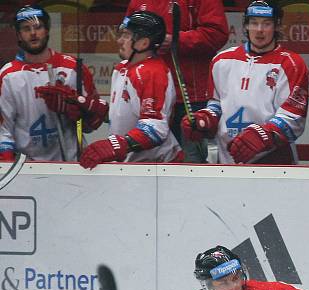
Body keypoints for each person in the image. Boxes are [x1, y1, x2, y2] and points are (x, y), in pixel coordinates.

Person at [181, 1, 308, 165]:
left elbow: (294, 117)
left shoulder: (291, 63)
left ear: (277, 26)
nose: (259, 30)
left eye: (266, 24)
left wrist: (264, 135)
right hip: (227, 161)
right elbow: (217, 105)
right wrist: (205, 119)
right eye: (254, 23)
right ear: (246, 26)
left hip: (274, 161)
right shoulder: (222, 60)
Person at [126, 0, 228, 163]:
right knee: (150, 164)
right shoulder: (137, 2)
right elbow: (128, 33)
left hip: (191, 99)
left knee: (191, 167)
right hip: (151, 98)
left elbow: (217, 33)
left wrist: (176, 40)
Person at [0, 5, 107, 162]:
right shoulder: (8, 76)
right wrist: (9, 169)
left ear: (47, 30)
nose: (33, 33)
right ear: (18, 35)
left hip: (73, 165)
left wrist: (80, 112)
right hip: (26, 169)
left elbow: (90, 126)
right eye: (26, 29)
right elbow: (4, 133)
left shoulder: (73, 68)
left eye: (38, 27)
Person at [80, 10, 182, 170]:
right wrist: (96, 109)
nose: (119, 40)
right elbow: (127, 115)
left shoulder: (153, 72)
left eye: (126, 36)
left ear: (143, 43)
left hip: (158, 168)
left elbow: (155, 128)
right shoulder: (122, 69)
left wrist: (116, 145)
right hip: (132, 166)